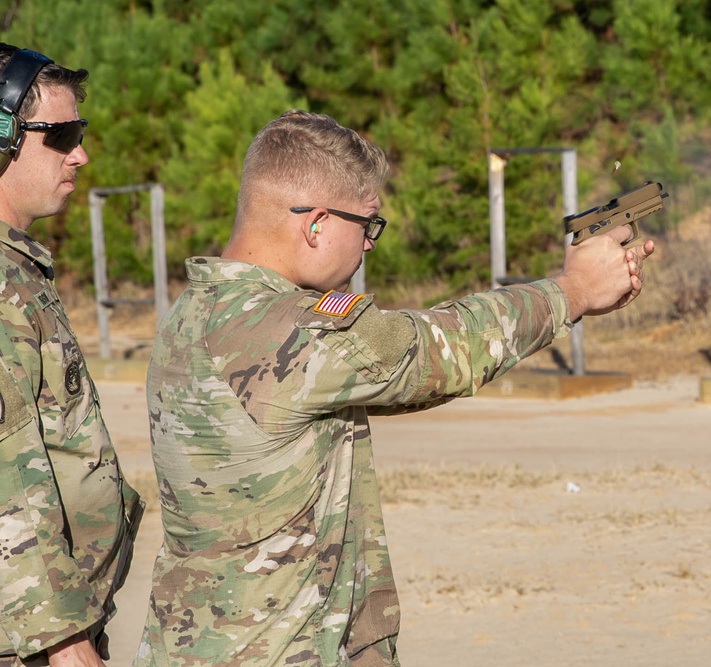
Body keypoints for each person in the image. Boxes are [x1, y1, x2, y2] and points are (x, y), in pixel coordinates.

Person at [134, 109, 654, 667]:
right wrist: (572, 291)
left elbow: (406, 382)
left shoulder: (196, 310)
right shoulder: (290, 330)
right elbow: (438, 351)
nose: (368, 247)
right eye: (367, 226)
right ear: (316, 224)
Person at [0, 44, 144, 667]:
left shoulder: (17, 269)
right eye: (60, 135)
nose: (80, 153)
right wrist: (62, 641)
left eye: (78, 132)